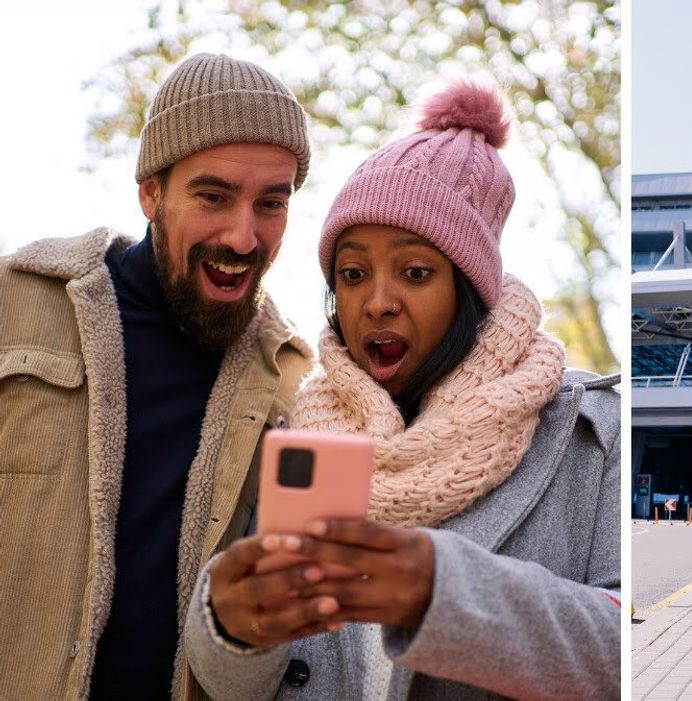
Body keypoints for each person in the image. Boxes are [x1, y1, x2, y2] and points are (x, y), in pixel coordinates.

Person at [182, 82, 621, 699]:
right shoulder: (295, 430)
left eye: (415, 273)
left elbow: (630, 647)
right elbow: (234, 682)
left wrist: (446, 592)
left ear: (470, 288)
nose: (377, 303)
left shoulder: (590, 429)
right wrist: (231, 627)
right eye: (353, 274)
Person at [0, 53, 313, 699]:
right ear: (150, 191)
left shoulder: (291, 385)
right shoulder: (14, 305)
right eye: (213, 196)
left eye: (271, 203)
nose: (243, 234)